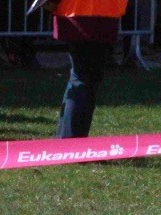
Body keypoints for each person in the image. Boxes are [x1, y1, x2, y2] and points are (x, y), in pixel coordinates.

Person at [46, 0, 127, 139]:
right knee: (85, 78)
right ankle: (72, 142)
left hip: (80, 11)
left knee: (80, 76)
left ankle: (64, 139)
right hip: (93, 12)